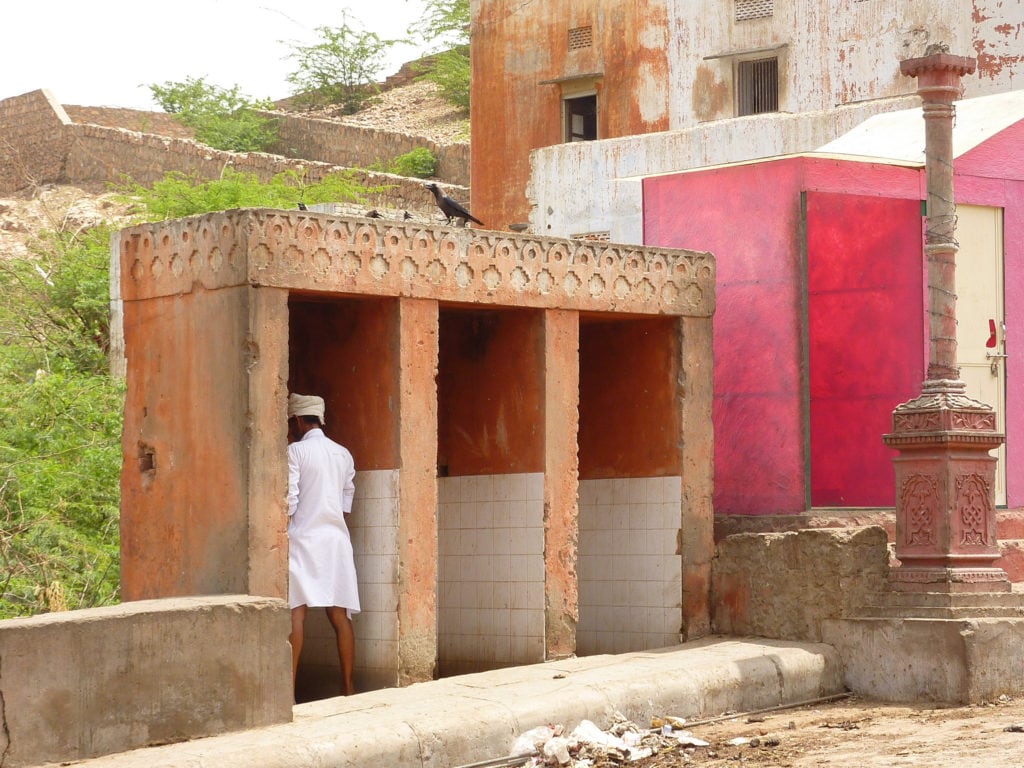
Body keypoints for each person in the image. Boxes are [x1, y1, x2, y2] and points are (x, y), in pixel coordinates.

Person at [286, 393, 359, 696]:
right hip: (336, 542)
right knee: (339, 616)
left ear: (300, 420)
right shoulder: (344, 454)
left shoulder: (296, 452)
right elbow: (345, 503)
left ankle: (287, 691)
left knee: (296, 614)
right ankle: (349, 687)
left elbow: (290, 501)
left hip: (303, 540)